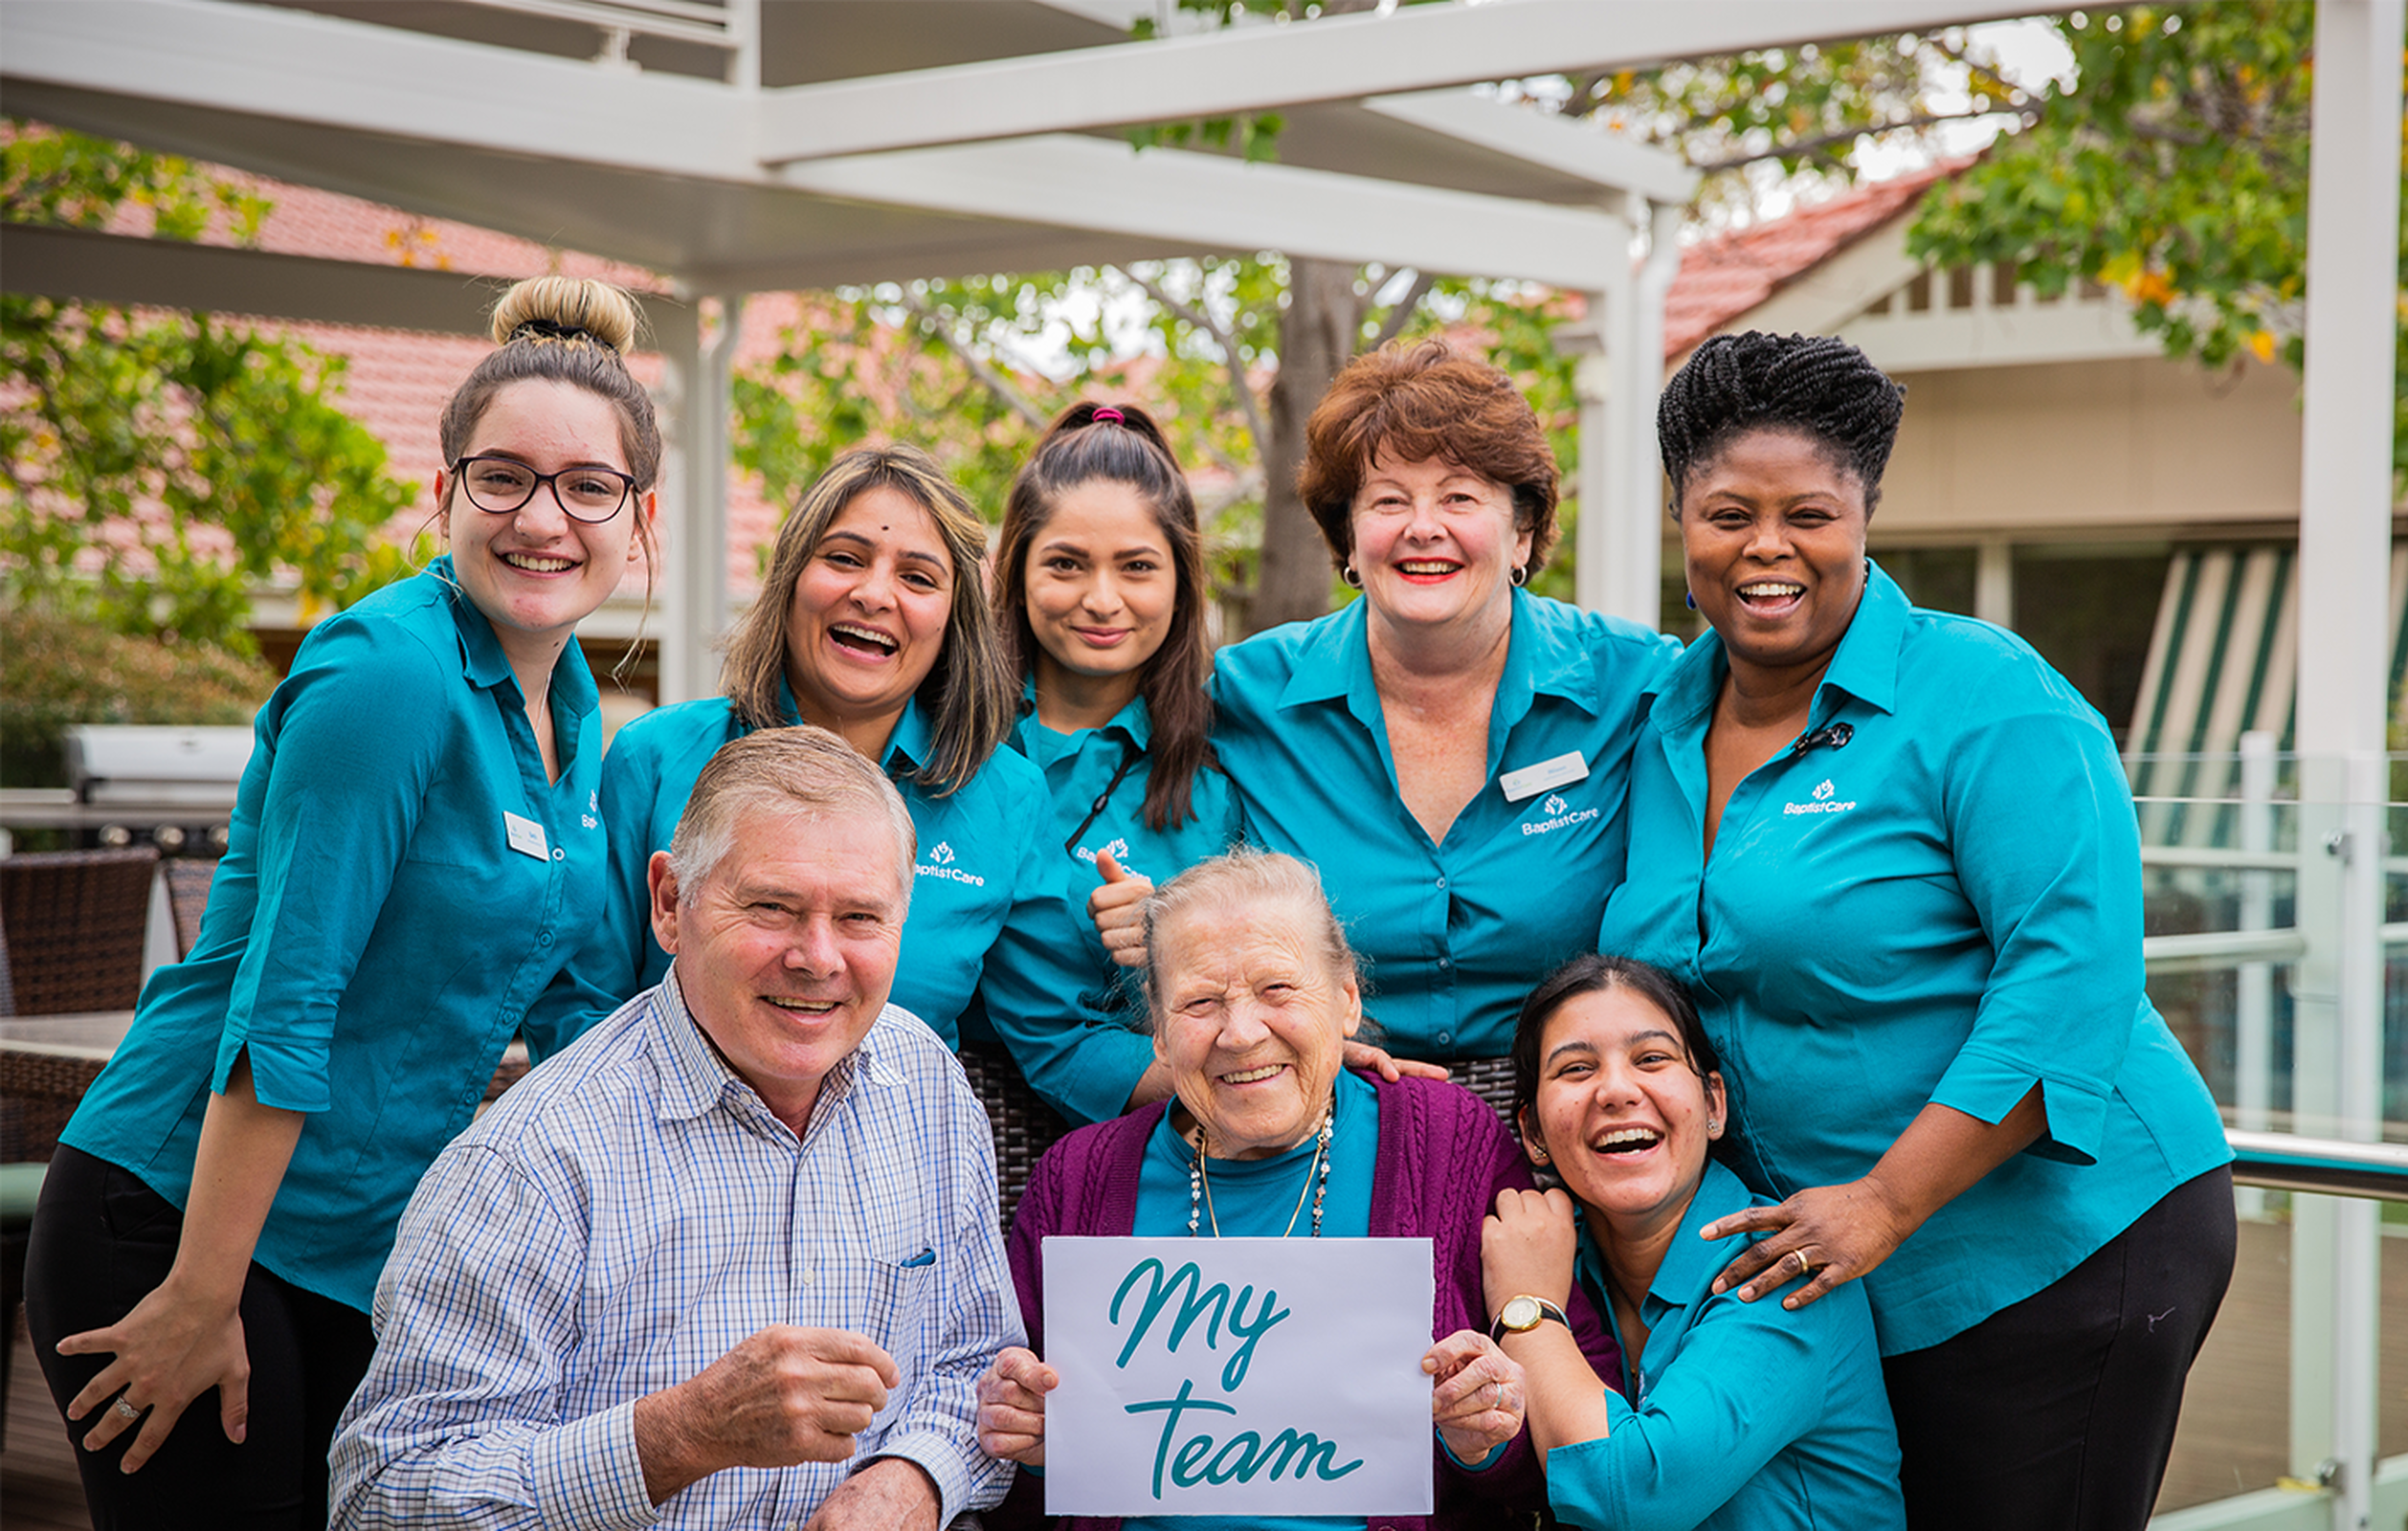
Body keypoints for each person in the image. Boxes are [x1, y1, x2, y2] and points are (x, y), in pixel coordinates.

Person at [24, 275, 661, 1527]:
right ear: (443, 492)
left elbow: (583, 1015)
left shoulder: (573, 710)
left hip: (358, 1249)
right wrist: (201, 1297)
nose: (545, 518)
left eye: (587, 486)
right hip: (180, 1223)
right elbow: (288, 998)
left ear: (639, 516)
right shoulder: (390, 675)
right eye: (503, 477)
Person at [1599, 330, 2235, 1526]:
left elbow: (2071, 980)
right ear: (1679, 518)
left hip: (2058, 1250)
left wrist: (1886, 1199)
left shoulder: (1985, 694)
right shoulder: (1660, 718)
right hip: (1837, 1268)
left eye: (1811, 514)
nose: (1767, 548)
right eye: (1727, 512)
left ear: (1865, 518)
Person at [329, 726, 1021, 1529]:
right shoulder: (531, 1160)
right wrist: (681, 1434)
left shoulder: (926, 1086)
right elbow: (383, 1498)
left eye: (861, 917)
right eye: (772, 907)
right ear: (669, 903)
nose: (819, 957)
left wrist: (914, 1476)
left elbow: (974, 1364)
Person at [976, 850, 1618, 1530]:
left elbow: (1549, 1465)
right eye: (1200, 1002)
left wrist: (1481, 1438)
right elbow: (1019, 1494)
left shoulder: (1448, 1143)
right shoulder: (1076, 1181)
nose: (1243, 1032)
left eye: (1278, 989)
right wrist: (1034, 1449)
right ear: (1159, 1034)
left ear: (1346, 999)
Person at [573, 444, 1133, 1125]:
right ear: (790, 578)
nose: (873, 594)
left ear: (952, 620)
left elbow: (1058, 1035)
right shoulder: (656, 757)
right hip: (660, 1167)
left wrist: (1224, 1079)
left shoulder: (1006, 797)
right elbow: (583, 1004)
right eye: (843, 558)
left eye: (919, 578)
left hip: (886, 1178)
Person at [1210, 341, 1681, 1067]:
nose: (1422, 526)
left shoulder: (1638, 685)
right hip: (1335, 1113)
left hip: (1571, 1114)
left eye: (1460, 497)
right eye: (1388, 500)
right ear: (1349, 538)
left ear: (1521, 530)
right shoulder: (1245, 694)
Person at [1482, 955, 1905, 1529]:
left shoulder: (1786, 1267)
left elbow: (1634, 1493)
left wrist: (1526, 1310)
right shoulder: (1554, 1254)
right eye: (1577, 1070)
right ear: (1532, 1132)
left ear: (1713, 1104)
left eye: (1651, 1059)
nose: (1615, 1090)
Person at [992, 402, 1244, 1111]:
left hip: (1178, 1128)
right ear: (1017, 572)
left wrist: (1174, 939)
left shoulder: (1230, 761)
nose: (1102, 600)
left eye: (1136, 567)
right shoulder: (950, 750)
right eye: (1066, 564)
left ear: (1179, 580)